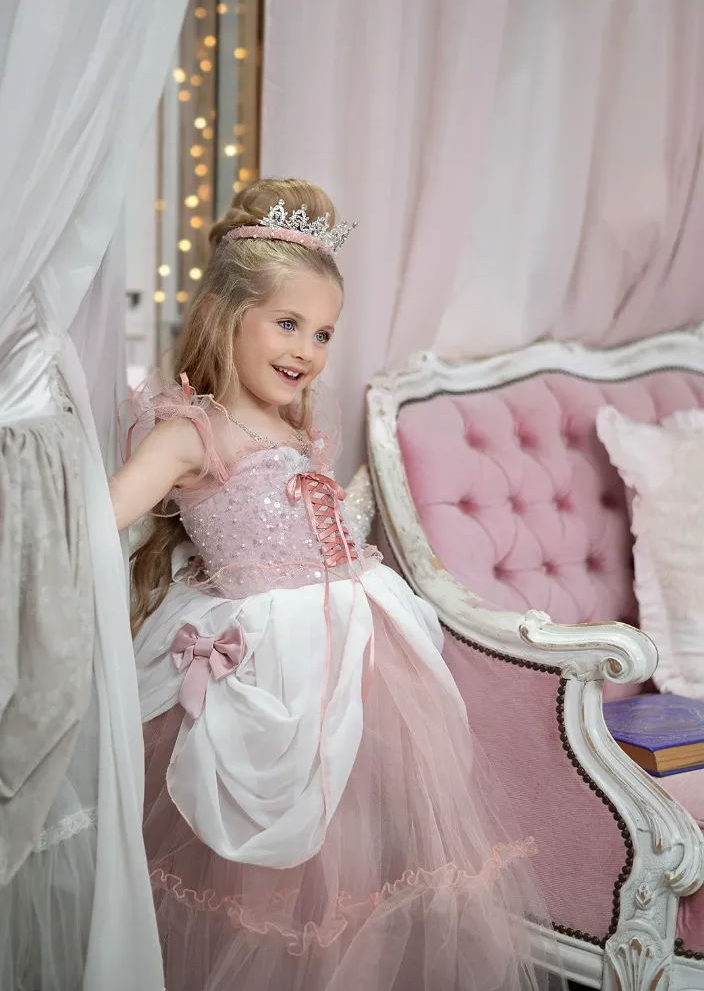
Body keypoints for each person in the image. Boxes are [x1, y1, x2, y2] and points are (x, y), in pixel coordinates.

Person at [109, 178, 565, 991]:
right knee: (264, 867)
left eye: (322, 333)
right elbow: (96, 519)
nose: (307, 350)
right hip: (267, 663)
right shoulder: (191, 433)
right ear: (225, 316)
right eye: (287, 324)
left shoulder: (296, 428)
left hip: (359, 653)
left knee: (356, 852)